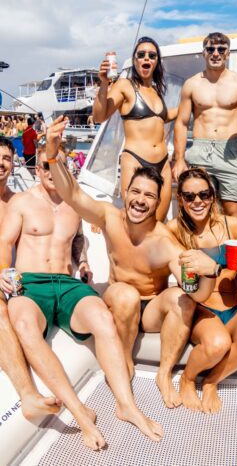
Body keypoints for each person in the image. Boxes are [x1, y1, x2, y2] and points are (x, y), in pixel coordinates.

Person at [44, 116, 219, 408]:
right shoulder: (109, 218)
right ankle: (124, 363)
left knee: (181, 299)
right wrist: (51, 154)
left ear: (157, 202)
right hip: (118, 299)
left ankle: (165, 374)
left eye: (149, 196)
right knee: (125, 294)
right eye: (135, 192)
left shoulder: (164, 242)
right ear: (125, 193)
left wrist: (210, 272)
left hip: (149, 310)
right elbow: (72, 194)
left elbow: (195, 293)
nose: (140, 200)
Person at [0, 146, 163, 450]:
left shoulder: (75, 206)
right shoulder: (21, 203)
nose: (53, 173)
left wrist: (84, 262)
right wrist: (2, 272)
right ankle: (80, 414)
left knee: (102, 317)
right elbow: (5, 241)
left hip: (67, 282)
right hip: (31, 283)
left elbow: (78, 242)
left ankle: (127, 405)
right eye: (48, 167)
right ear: (38, 170)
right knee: (23, 324)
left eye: (61, 167)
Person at [166, 168, 237, 413]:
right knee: (217, 343)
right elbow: (187, 281)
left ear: (212, 196)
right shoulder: (174, 230)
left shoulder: (232, 225)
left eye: (204, 194)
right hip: (203, 307)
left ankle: (211, 381)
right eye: (189, 197)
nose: (197, 201)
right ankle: (188, 379)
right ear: (180, 199)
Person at [0, 138, 63, 423]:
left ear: (13, 164)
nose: (1, 162)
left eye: (6, 158)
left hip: (14, 279)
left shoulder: (17, 201)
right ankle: (28, 396)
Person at [173, 32, 237, 219]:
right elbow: (181, 123)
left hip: (230, 152)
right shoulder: (192, 84)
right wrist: (179, 159)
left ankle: (232, 248)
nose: (216, 53)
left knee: (233, 211)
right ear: (203, 53)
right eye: (210, 49)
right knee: (198, 209)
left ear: (228, 53)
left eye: (221, 49)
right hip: (200, 151)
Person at [92, 37, 176, 221]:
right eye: (141, 55)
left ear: (156, 62)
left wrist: (190, 104)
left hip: (163, 164)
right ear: (135, 59)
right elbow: (100, 116)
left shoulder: (156, 91)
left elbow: (161, 117)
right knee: (136, 221)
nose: (146, 58)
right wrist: (104, 83)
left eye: (152, 55)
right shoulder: (125, 86)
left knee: (159, 221)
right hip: (135, 161)